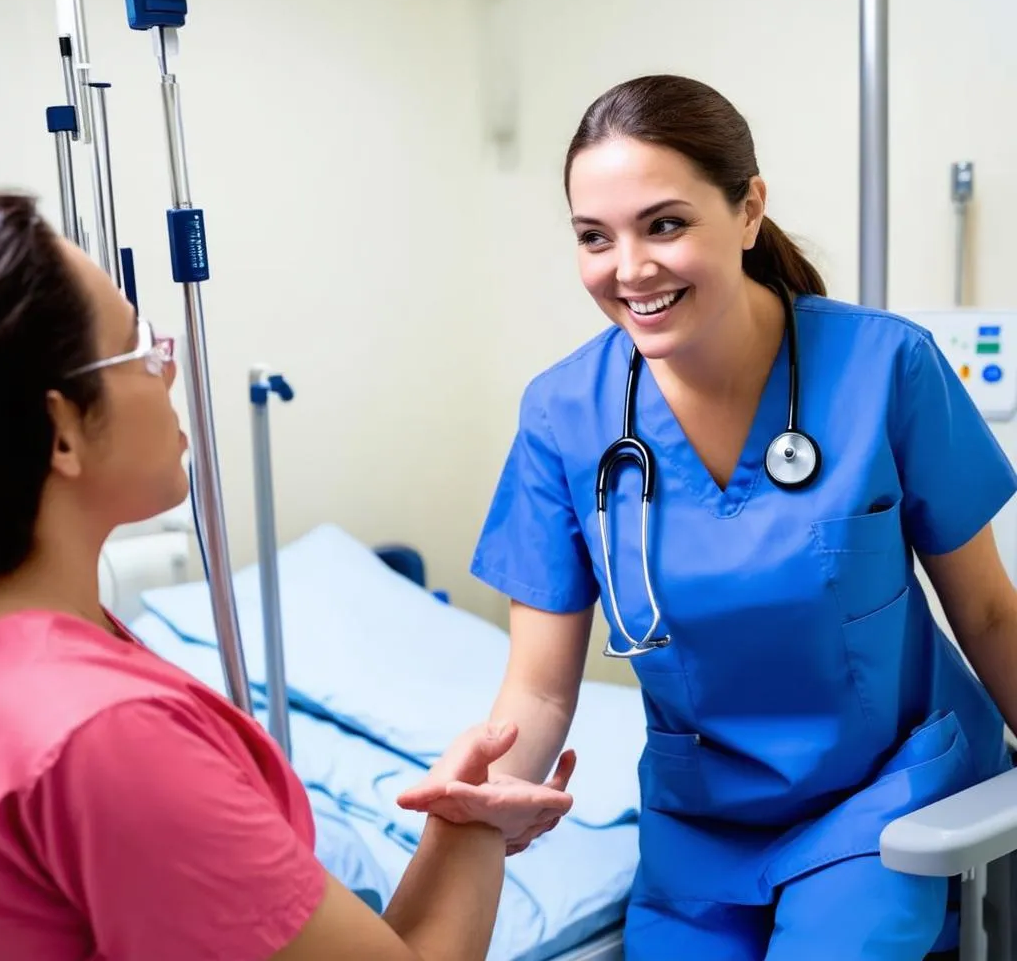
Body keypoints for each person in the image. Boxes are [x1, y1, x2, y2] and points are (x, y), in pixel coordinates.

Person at [397, 75, 1017, 960]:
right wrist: (491, 796)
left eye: (665, 223)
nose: (630, 269)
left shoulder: (887, 369)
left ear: (750, 209)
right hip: (702, 830)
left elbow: (990, 611)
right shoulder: (563, 417)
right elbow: (538, 687)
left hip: (882, 801)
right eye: (593, 238)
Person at [0, 191, 576, 961]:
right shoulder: (105, 736)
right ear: (63, 429)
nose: (168, 370)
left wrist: (463, 823)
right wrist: (479, 826)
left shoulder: (51, 657)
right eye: (138, 347)